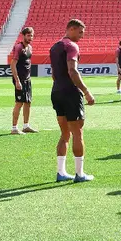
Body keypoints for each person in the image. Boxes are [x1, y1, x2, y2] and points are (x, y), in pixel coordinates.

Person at [50, 19, 96, 183]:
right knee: (78, 132)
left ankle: (61, 172)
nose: (82, 36)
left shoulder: (55, 47)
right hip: (70, 92)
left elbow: (54, 74)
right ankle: (80, 174)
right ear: (72, 29)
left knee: (64, 133)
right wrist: (86, 91)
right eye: (81, 32)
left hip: (56, 91)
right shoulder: (71, 46)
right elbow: (72, 70)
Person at [11, 27, 37, 134]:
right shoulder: (18, 47)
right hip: (20, 79)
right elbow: (13, 64)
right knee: (19, 103)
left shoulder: (30, 47)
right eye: (28, 35)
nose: (30, 37)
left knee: (28, 102)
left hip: (27, 79)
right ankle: (14, 128)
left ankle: (26, 125)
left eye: (32, 35)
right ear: (24, 36)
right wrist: (17, 81)